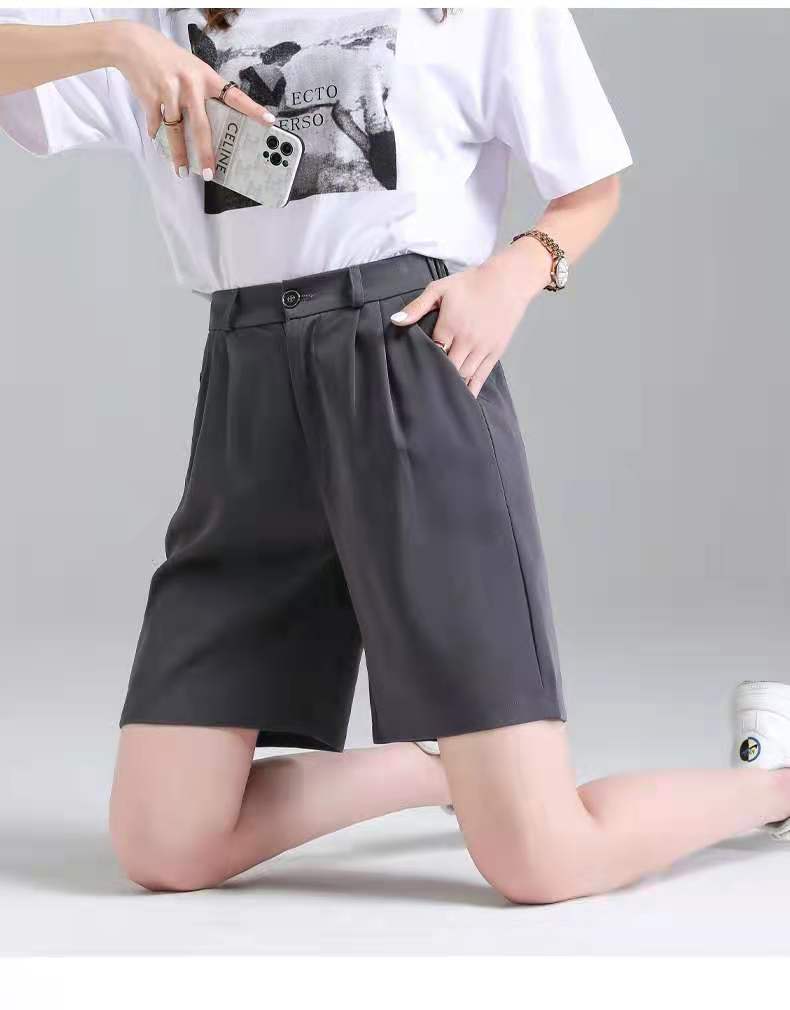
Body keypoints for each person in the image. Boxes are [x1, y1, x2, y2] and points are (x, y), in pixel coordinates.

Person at [1, 7, 786, 905]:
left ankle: (775, 785)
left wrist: (511, 277)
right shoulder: (162, 15)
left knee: (542, 860)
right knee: (164, 844)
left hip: (406, 363)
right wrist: (119, 44)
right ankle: (433, 767)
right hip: (249, 394)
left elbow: (592, 187)